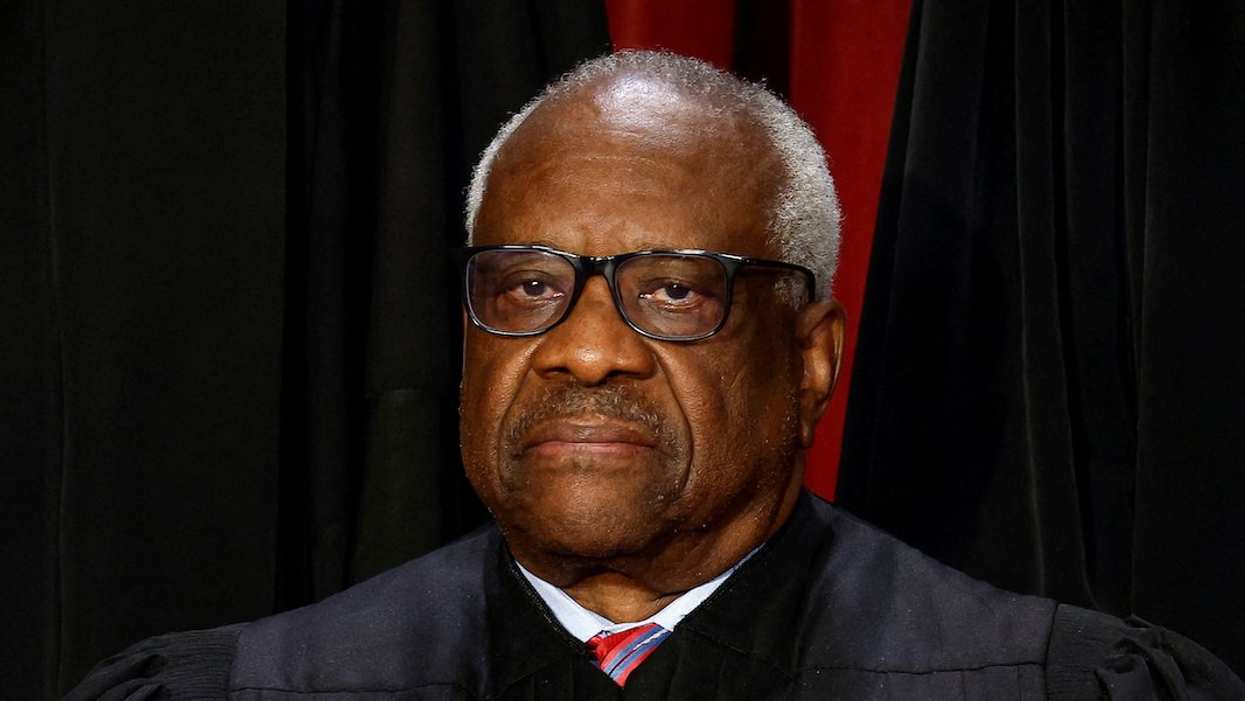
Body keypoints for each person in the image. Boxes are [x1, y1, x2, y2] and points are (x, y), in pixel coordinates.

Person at [68, 51, 1242, 701]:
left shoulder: (1047, 689)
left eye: (675, 288)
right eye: (528, 285)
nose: (584, 346)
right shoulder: (257, 689)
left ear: (812, 357)